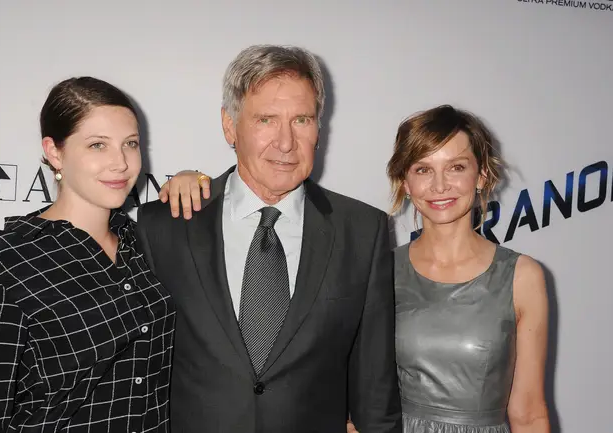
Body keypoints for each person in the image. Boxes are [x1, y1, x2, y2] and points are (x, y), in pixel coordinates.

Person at [167, 105, 551, 433]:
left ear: (481, 175)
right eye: (422, 169)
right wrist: (195, 181)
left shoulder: (522, 276)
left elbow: (529, 412)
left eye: (456, 167)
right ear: (405, 181)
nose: (439, 185)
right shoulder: (376, 266)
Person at [135, 44, 403, 432]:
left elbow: (375, 390)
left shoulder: (363, 230)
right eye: (265, 120)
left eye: (301, 120)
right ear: (230, 125)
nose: (285, 142)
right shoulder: (166, 224)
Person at [0, 77, 176, 432]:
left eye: (130, 144)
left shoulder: (144, 242)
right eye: (97, 145)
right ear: (55, 151)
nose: (120, 162)